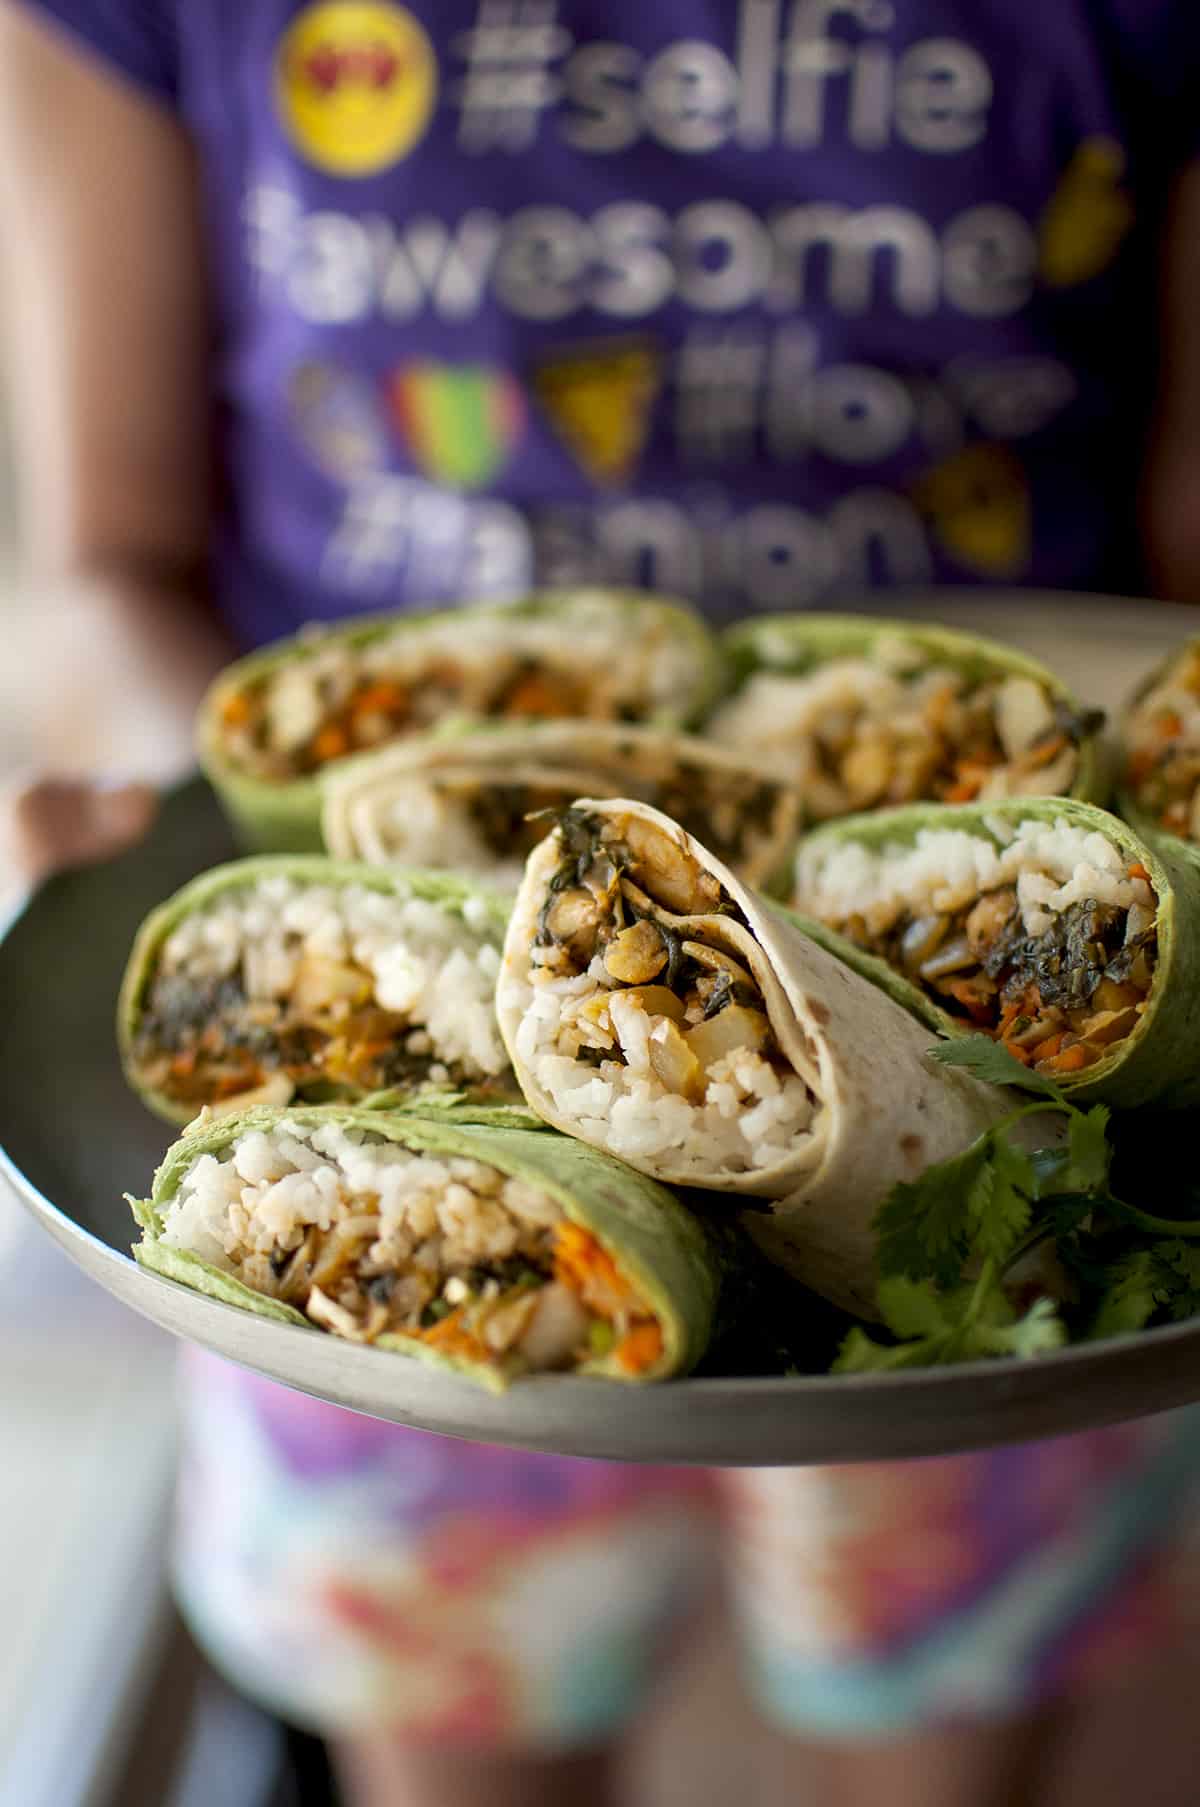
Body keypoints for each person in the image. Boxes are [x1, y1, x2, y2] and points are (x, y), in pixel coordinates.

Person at [5, 4, 1200, 1804]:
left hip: (1024, 1148)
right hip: (337, 1133)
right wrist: (170, 802)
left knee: (943, 1720)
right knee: (459, 1733)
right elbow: (105, 564)